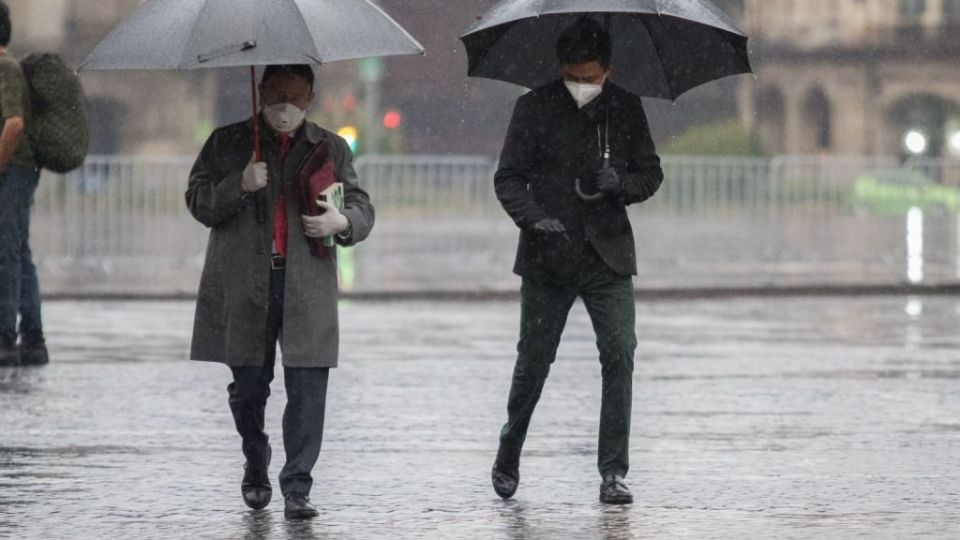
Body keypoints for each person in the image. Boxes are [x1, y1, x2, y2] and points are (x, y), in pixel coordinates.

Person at [185, 64, 374, 519]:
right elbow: (198, 200)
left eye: (297, 95)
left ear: (311, 97)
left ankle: (297, 486)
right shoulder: (228, 142)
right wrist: (239, 184)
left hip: (306, 281)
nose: (286, 105)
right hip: (246, 281)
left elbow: (360, 203)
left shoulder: (329, 146)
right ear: (261, 92)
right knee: (248, 389)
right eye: (277, 94)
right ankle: (255, 457)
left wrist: (342, 221)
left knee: (309, 386)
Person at [490, 18, 664, 505]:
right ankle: (510, 449)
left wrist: (622, 185)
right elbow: (508, 178)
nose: (581, 86)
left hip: (607, 256)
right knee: (534, 361)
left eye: (590, 77)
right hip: (549, 254)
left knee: (619, 355)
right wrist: (534, 219)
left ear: (606, 70)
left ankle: (613, 471)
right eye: (573, 77)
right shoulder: (534, 107)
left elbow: (651, 174)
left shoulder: (626, 109)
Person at [0, 1, 47, 367]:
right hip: (18, 168)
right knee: (18, 249)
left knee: (6, 251)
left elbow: (14, 123)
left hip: (13, 169)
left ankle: (5, 338)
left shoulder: (3, 66)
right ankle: (32, 337)